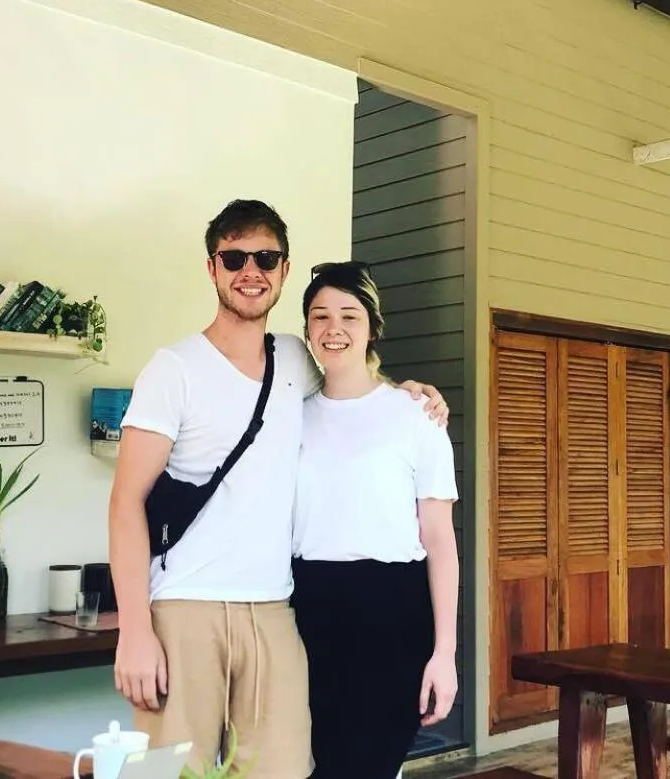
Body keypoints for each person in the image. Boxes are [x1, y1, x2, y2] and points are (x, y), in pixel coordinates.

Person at [107, 200, 447, 778]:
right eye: (234, 257)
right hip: (186, 605)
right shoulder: (174, 368)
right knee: (166, 772)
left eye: (265, 258)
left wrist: (410, 392)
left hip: (275, 610)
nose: (251, 270)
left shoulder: (293, 359)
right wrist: (134, 631)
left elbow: (352, 385)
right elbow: (125, 502)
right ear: (212, 268)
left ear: (283, 270)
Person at [290, 261, 460, 779]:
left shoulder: (416, 416)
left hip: (391, 612)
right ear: (307, 330)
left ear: (372, 328)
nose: (334, 328)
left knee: (367, 763)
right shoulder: (291, 416)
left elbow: (440, 541)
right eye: (320, 316)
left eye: (349, 315)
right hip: (307, 609)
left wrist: (445, 654)